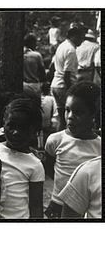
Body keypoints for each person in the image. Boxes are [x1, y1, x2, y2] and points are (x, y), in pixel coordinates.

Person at [44, 81, 101, 218]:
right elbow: (50, 168)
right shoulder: (55, 140)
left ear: (92, 114)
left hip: (86, 207)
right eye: (67, 110)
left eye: (79, 112)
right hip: (58, 203)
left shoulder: (99, 145)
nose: (70, 116)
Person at [0, 98, 45, 219]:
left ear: (35, 130)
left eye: (25, 128)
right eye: (11, 126)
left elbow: (36, 206)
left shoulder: (35, 165)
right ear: (3, 122)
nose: (16, 132)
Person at [50, 25, 84, 131]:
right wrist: (71, 91)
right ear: (73, 36)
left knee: (62, 118)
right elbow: (67, 75)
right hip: (63, 86)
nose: (81, 40)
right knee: (71, 118)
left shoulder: (62, 46)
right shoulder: (71, 50)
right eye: (79, 37)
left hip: (56, 85)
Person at [23, 34, 47, 101]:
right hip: (34, 86)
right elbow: (43, 74)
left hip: (21, 86)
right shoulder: (36, 55)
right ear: (33, 42)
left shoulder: (17, 54)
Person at [38, 82, 59, 148]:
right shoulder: (52, 99)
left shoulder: (38, 98)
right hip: (48, 123)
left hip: (37, 123)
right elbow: (56, 112)